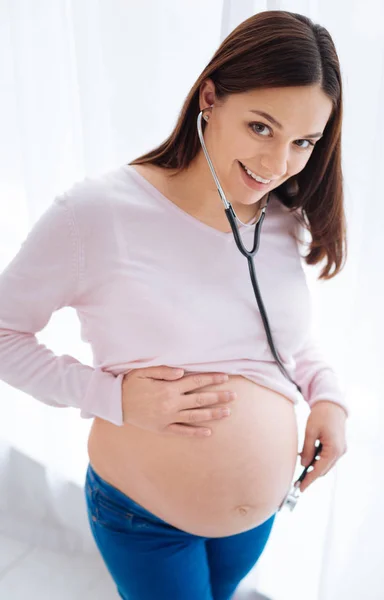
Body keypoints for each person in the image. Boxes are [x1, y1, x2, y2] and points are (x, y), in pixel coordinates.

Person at [0, 9, 349, 600]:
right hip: (145, 518)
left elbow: (277, 334)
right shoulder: (98, 214)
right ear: (209, 97)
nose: (276, 164)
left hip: (253, 521)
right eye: (261, 127)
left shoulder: (281, 214)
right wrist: (109, 395)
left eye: (303, 142)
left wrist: (327, 397)